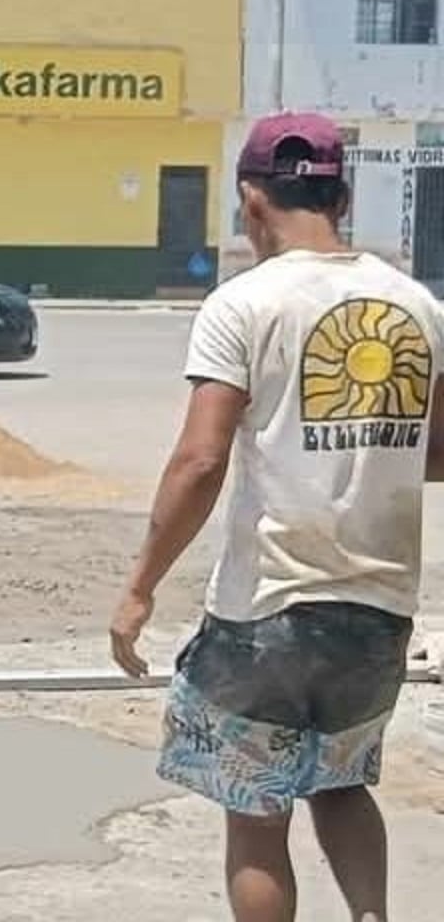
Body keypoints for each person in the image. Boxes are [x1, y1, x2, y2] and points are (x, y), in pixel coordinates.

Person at [111, 112, 443, 922]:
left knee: (258, 820)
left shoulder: (244, 304)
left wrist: (140, 588)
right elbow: (435, 453)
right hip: (379, 612)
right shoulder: (416, 305)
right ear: (342, 197)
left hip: (269, 610)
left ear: (251, 199)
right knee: (343, 785)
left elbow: (200, 461)